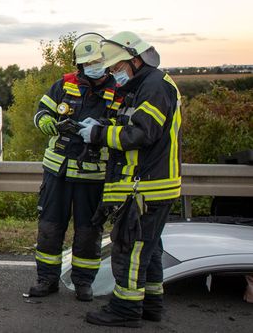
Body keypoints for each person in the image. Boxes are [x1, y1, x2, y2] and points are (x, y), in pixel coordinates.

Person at [77, 31, 182, 327]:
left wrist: (98, 134)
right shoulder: (143, 86)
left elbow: (142, 134)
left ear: (135, 59)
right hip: (150, 186)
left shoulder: (155, 86)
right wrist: (104, 126)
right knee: (149, 250)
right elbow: (129, 124)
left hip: (147, 187)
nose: (113, 74)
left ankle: (125, 309)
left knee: (130, 248)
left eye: (117, 67)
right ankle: (151, 304)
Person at [27, 33, 121, 302]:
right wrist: (44, 121)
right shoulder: (65, 84)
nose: (95, 66)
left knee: (88, 232)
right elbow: (42, 110)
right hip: (57, 172)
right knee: (49, 228)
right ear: (80, 65)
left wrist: (100, 130)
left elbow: (124, 129)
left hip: (92, 175)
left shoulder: (118, 90)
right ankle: (46, 280)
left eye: (98, 61)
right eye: (89, 62)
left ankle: (82, 283)